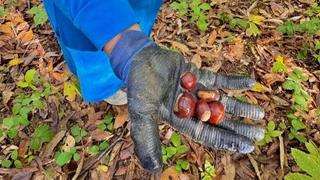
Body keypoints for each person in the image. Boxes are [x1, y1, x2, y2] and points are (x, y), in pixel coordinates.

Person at [43, 0, 265, 172]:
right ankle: (116, 87)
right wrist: (124, 45)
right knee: (101, 70)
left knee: (139, 32)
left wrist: (136, 43)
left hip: (140, 9)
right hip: (86, 21)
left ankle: (128, 74)